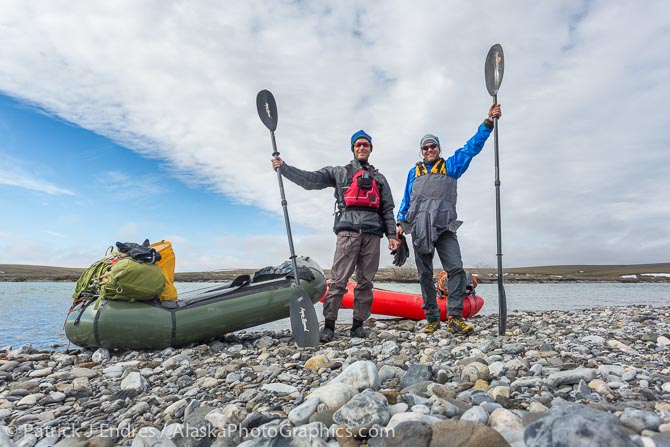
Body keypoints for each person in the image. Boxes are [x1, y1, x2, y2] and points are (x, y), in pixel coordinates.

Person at [271, 130, 399, 342]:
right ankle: (329, 325)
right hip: (347, 232)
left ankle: (358, 325)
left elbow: (387, 209)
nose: (361, 148)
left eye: (365, 145)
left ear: (370, 149)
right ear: (353, 148)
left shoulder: (380, 178)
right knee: (339, 280)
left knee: (366, 282)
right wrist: (284, 169)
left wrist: (392, 235)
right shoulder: (339, 172)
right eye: (358, 144)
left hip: (372, 235)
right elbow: (310, 180)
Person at [396, 103, 502, 335]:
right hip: (420, 229)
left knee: (455, 269)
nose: (429, 150)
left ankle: (454, 316)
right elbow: (406, 200)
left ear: (439, 148)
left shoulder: (451, 166)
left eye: (432, 146)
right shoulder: (413, 173)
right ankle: (432, 319)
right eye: (425, 147)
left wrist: (487, 124)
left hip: (444, 227)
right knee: (424, 274)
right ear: (421, 151)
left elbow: (471, 148)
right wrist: (399, 223)